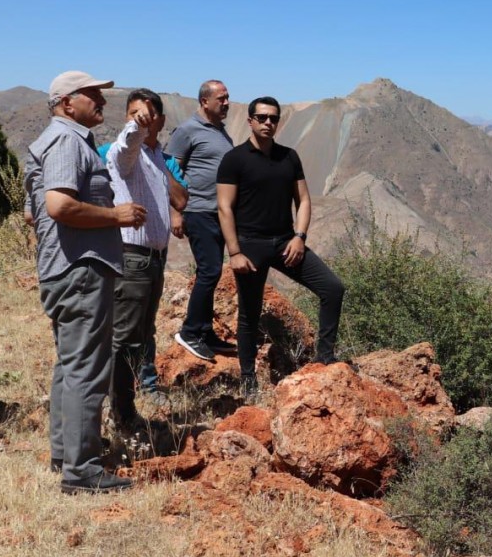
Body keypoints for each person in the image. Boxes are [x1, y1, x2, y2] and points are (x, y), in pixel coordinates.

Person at [24, 71, 144, 494]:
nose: (101, 102)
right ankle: (82, 468)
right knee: (87, 368)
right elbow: (58, 205)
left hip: (64, 267)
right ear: (66, 102)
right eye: (93, 95)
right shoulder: (66, 141)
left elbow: (31, 212)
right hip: (81, 268)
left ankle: (66, 452)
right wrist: (116, 216)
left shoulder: (53, 142)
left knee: (70, 363)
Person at [217, 96, 345, 394]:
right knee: (249, 312)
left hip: (286, 242)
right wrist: (234, 252)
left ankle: (325, 357)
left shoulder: (289, 157)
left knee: (332, 288)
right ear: (250, 120)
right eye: (261, 117)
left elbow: (303, 200)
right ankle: (248, 379)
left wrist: (300, 237)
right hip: (249, 245)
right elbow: (224, 207)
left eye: (273, 118)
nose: (268, 123)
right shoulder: (234, 159)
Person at [102, 89, 187, 439]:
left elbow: (181, 197)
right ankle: (117, 413)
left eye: (149, 115)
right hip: (132, 258)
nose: (143, 119)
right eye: (135, 113)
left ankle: (124, 407)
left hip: (153, 258)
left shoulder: (155, 157)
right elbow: (124, 147)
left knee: (138, 335)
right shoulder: (127, 154)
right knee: (123, 339)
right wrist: (137, 128)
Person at [168, 80, 235, 362]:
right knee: (209, 271)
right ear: (205, 101)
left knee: (214, 271)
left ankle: (206, 332)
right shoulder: (186, 131)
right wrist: (175, 213)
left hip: (218, 212)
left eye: (228, 98)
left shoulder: (221, 132)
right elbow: (169, 170)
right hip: (197, 211)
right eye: (222, 98)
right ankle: (190, 331)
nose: (227, 102)